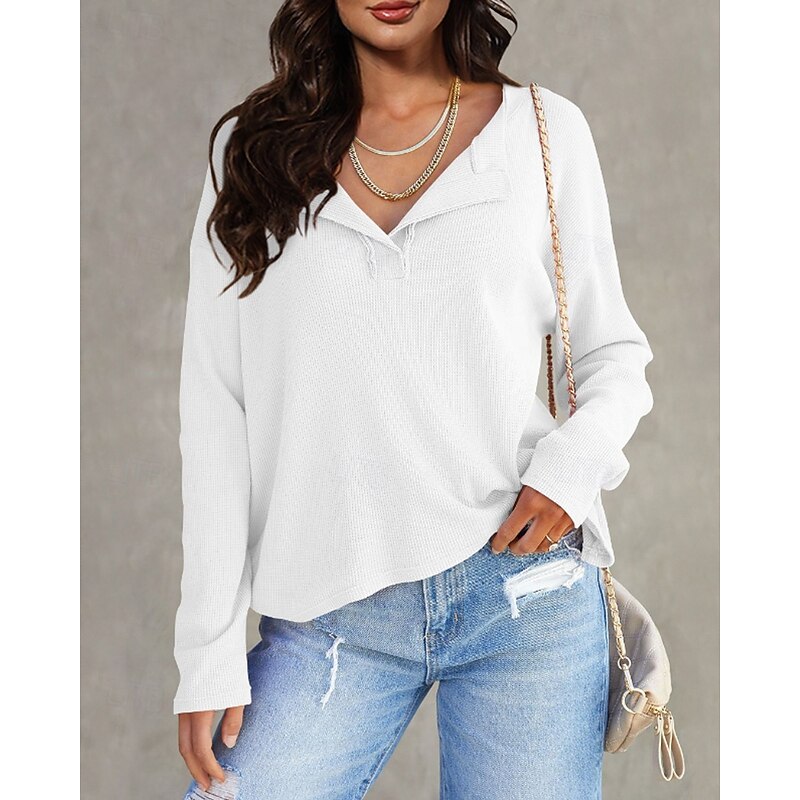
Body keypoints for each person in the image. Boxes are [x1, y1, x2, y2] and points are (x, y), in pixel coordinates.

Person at [174, 1, 655, 798]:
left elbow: (613, 354)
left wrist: (568, 474)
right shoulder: (253, 155)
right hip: (333, 614)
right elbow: (217, 410)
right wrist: (208, 649)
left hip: (523, 595)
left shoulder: (543, 133)